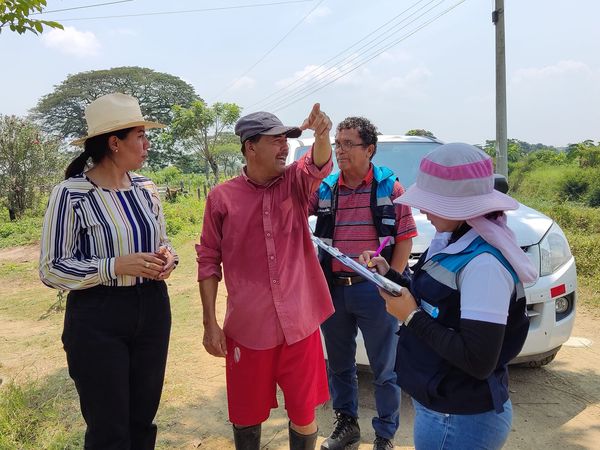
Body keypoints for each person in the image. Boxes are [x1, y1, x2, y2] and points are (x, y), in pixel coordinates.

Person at [361, 143, 538, 450]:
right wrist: (390, 275)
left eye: (432, 203)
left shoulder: (484, 266)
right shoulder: (453, 240)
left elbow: (478, 360)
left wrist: (411, 316)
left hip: (457, 420)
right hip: (443, 407)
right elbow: (437, 300)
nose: (423, 210)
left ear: (460, 206)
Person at [39, 93, 178, 449]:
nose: (147, 144)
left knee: (142, 420)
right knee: (108, 429)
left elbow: (163, 241)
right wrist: (113, 266)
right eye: (140, 136)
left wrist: (168, 258)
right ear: (115, 143)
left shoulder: (146, 189)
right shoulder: (71, 194)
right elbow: (52, 268)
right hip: (97, 316)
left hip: (153, 307)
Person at [196, 104, 334, 450]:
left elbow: (318, 164)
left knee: (303, 412)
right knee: (246, 414)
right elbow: (208, 260)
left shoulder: (295, 183)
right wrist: (210, 322)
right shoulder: (221, 198)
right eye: (275, 140)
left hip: (300, 325)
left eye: (286, 139)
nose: (285, 147)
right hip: (249, 328)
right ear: (251, 147)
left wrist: (322, 135)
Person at [310, 117, 417, 450]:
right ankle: (347, 425)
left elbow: (405, 239)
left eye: (348, 144)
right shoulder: (326, 188)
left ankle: (385, 435)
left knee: (386, 369)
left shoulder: (390, 188)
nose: (340, 151)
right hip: (334, 289)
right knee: (340, 365)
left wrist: (391, 283)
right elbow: (295, 205)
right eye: (337, 144)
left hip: (375, 292)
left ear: (369, 149)